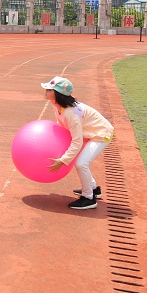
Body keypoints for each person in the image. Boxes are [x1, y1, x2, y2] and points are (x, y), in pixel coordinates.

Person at [43, 77, 115, 210]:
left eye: (49, 89)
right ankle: (93, 189)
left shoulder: (71, 113)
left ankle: (89, 198)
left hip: (101, 134)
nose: (46, 90)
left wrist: (63, 160)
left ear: (58, 94)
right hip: (88, 132)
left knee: (81, 163)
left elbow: (77, 141)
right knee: (80, 161)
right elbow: (64, 127)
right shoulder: (58, 106)